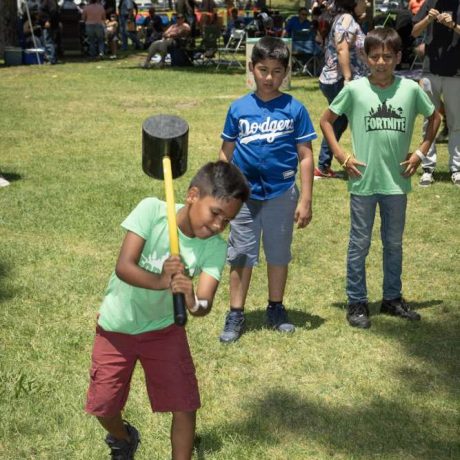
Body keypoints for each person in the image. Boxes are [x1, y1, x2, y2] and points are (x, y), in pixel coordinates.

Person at [85, 161, 249, 459]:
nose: (218, 226)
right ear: (192, 195)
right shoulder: (151, 211)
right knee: (103, 405)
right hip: (116, 327)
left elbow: (203, 305)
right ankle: (123, 437)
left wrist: (189, 296)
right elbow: (124, 267)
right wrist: (163, 281)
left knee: (185, 406)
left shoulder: (214, 247)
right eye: (215, 213)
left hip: (164, 331)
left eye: (227, 221)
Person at [320, 27, 441, 329]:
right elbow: (326, 120)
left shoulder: (410, 90)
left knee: (393, 243)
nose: (382, 62)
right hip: (363, 181)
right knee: (359, 243)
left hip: (396, 182)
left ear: (399, 57)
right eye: (375, 57)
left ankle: (392, 298)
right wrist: (341, 156)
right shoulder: (355, 90)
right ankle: (357, 301)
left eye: (388, 56)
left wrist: (420, 152)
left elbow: (435, 116)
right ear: (365, 57)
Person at [218, 36, 316, 343]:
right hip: (243, 198)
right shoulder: (239, 109)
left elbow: (306, 155)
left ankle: (276, 307)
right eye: (263, 70)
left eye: (276, 71)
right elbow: (225, 153)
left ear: (285, 72)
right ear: (252, 69)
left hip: (281, 193)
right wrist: (222, 191)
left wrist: (306, 198)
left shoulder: (295, 109)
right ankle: (236, 312)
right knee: (241, 254)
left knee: (278, 254)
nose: (269, 77)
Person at [315, 0, 368, 180]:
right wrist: (347, 78)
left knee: (338, 122)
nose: (367, 2)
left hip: (334, 79)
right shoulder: (346, 19)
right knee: (355, 120)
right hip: (340, 80)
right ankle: (363, 163)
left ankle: (323, 166)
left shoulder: (344, 18)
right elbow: (342, 48)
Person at [412, 0, 460, 187]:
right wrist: (427, 20)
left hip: (456, 73)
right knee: (429, 120)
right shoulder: (429, 2)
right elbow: (414, 31)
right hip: (430, 71)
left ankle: (456, 168)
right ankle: (427, 168)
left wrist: (453, 25)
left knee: (456, 123)